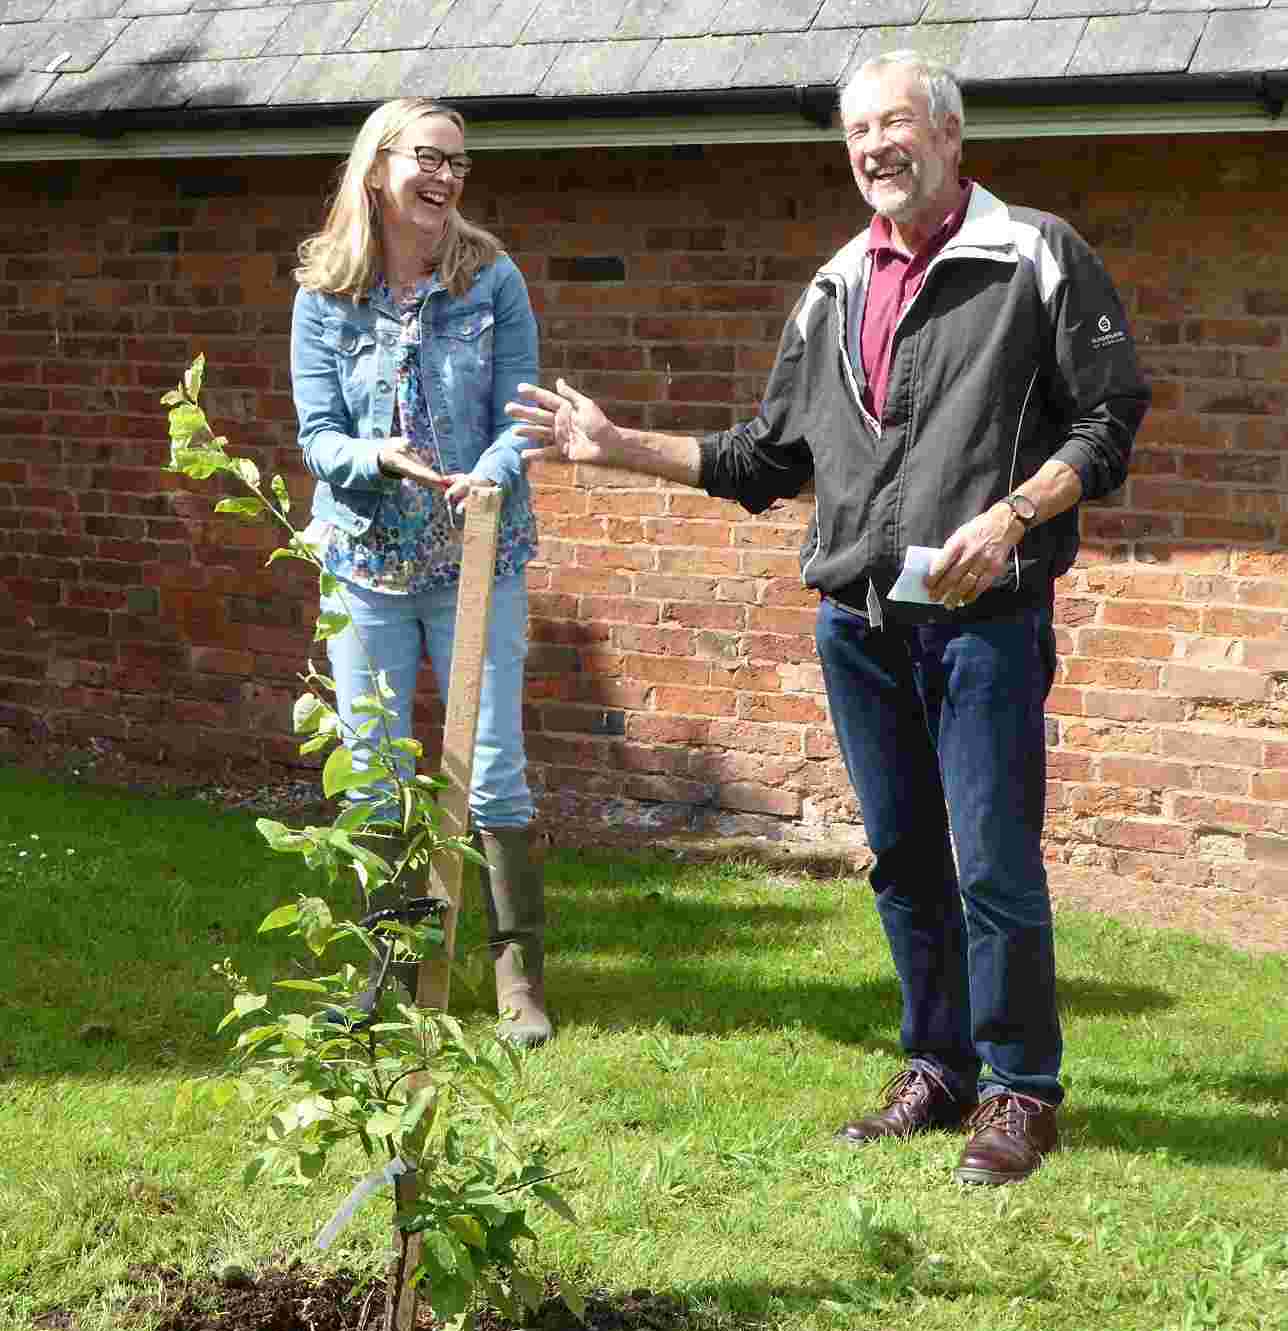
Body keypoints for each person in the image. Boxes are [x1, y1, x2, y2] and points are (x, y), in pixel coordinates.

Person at [509, 52, 1149, 1178]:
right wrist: (616, 450)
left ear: (950, 133)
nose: (872, 149)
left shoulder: (1036, 255)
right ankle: (939, 1067)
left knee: (992, 860)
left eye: (894, 125)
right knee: (902, 859)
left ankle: (1020, 1091)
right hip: (857, 624)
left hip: (984, 618)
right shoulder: (835, 285)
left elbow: (1106, 424)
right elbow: (766, 459)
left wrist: (1007, 520)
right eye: (856, 133)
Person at [290, 97, 551, 1047]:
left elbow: (521, 414)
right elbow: (318, 435)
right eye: (429, 160)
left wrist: (485, 475)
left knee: (491, 772)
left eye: (459, 164)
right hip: (365, 561)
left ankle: (516, 981)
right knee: (375, 777)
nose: (446, 178)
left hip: (477, 555)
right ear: (378, 168)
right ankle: (388, 974)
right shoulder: (326, 290)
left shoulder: (491, 278)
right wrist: (375, 457)